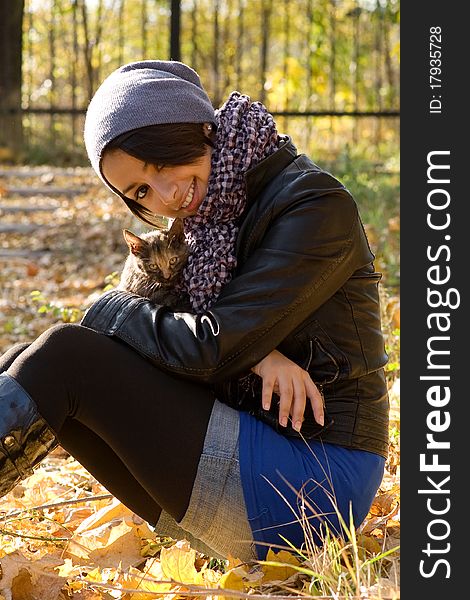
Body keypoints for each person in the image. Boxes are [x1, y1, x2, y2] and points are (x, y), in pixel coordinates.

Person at [0, 60, 389, 562]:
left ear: (198, 126)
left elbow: (209, 348)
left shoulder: (313, 205)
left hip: (318, 483)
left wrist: (108, 307)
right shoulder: (207, 227)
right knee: (25, 360)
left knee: (64, 357)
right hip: (255, 448)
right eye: (140, 191)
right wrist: (257, 353)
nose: (166, 197)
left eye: (160, 164)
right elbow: (213, 342)